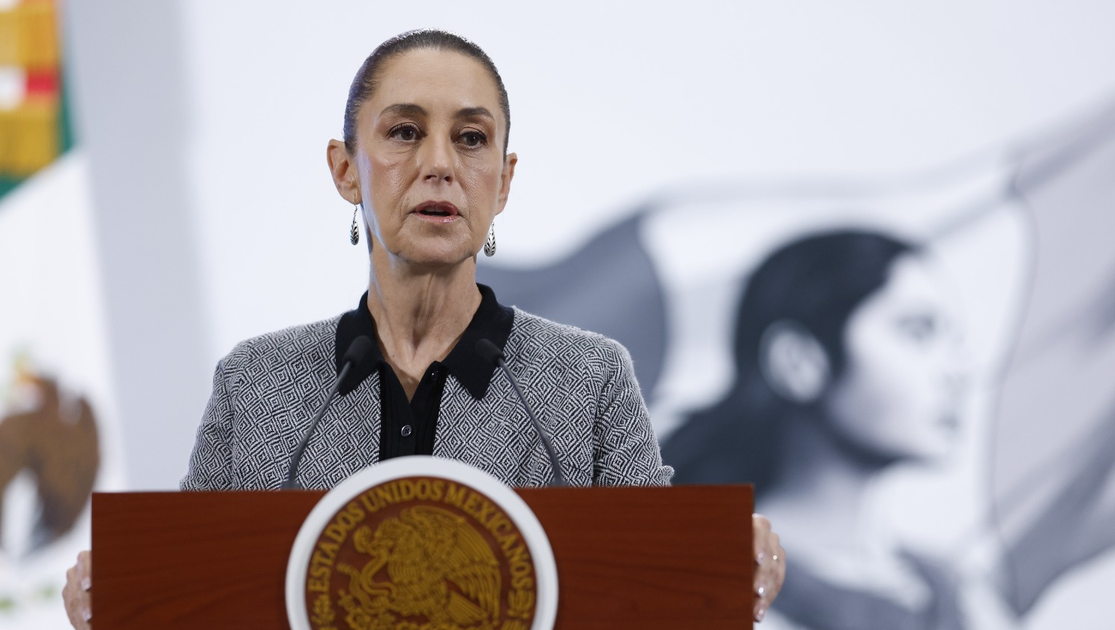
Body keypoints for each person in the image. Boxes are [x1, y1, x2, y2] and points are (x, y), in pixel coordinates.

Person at [62, 29, 786, 628]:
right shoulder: (255, 384)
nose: (439, 164)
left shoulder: (589, 379)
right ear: (346, 171)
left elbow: (659, 582)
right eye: (405, 132)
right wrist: (120, 597)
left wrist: (728, 564)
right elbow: (196, 588)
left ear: (502, 181)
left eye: (471, 139)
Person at [664, 229, 1115, 629]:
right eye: (917, 332)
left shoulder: (957, 592)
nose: (958, 370)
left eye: (954, 341)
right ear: (798, 361)